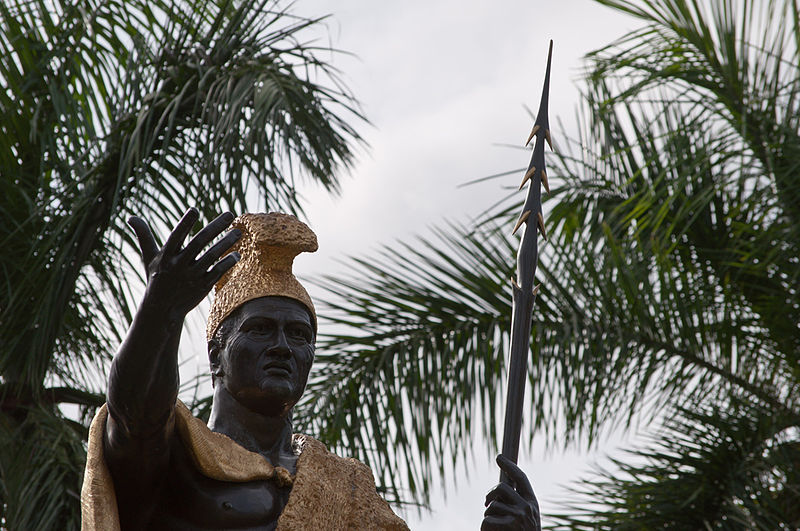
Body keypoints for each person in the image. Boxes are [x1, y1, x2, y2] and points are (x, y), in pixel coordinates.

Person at [80, 209, 539, 530]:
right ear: (217, 353)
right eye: (260, 329)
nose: (283, 345)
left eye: (299, 335)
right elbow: (134, 411)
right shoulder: (176, 451)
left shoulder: (347, 488)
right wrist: (160, 312)